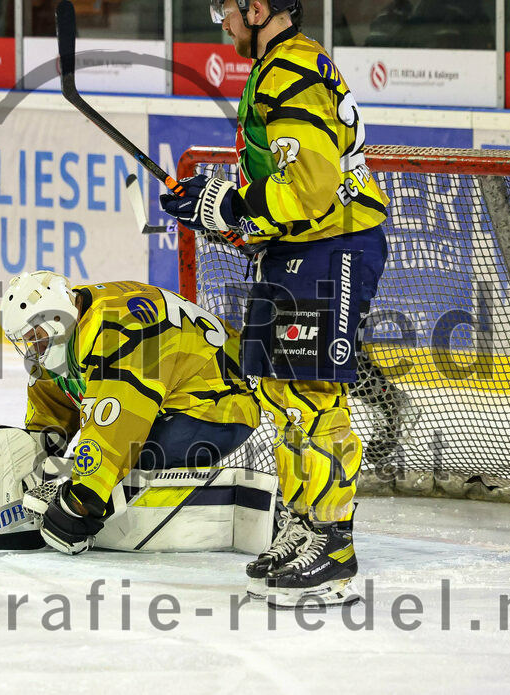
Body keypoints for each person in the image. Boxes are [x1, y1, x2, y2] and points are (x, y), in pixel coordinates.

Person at [160, 0, 390, 607]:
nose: (223, 22)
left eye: (226, 9)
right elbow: (280, 190)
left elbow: (311, 188)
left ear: (258, 7)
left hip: (331, 244)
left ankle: (332, 540)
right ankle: (303, 521)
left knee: (313, 393)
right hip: (300, 245)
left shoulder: (292, 70)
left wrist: (231, 205)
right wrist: (215, 207)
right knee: (282, 391)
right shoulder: (276, 67)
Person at [0, 271, 275, 556]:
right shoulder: (71, 321)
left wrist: (82, 501)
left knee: (130, 461)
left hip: (219, 402)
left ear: (55, 321)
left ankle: (211, 513)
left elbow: (119, 424)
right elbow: (54, 400)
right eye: (26, 340)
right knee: (105, 463)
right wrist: (38, 454)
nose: (33, 347)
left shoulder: (119, 329)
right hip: (169, 391)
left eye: (36, 337)